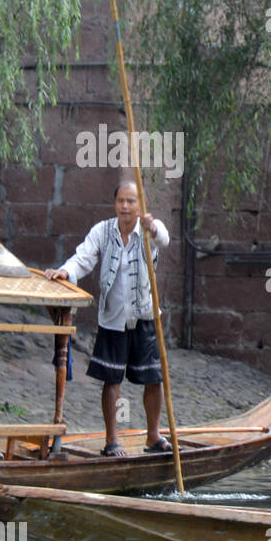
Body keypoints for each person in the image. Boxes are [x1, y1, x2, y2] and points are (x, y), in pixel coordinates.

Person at [44, 180, 171, 457]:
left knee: (154, 378)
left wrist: (152, 226)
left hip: (145, 315)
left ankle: (153, 436)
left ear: (140, 206)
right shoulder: (102, 231)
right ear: (115, 204)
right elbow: (83, 257)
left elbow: (164, 238)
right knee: (112, 379)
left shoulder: (149, 231)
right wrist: (66, 271)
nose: (125, 206)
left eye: (131, 202)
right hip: (112, 318)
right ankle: (112, 440)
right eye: (121, 201)